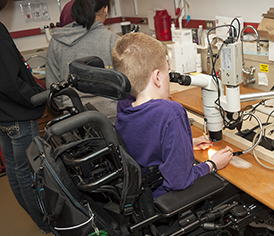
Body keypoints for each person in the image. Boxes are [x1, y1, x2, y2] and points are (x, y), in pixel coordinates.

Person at [113, 32, 233, 198]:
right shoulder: (171, 112)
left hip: (138, 193)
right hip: (163, 198)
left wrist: (186, 143)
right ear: (157, 77)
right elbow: (179, 180)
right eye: (167, 72)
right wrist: (212, 164)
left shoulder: (124, 104)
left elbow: (144, 142)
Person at [0, 0, 49, 232]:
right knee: (29, 172)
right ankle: (45, 221)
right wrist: (37, 97)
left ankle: (35, 217)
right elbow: (10, 82)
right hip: (17, 115)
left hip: (3, 115)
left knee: (15, 169)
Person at [46, 0, 119, 123]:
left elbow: (53, 86)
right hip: (111, 118)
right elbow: (126, 86)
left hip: (73, 119)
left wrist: (68, 107)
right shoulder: (113, 40)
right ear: (105, 9)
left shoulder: (57, 42)